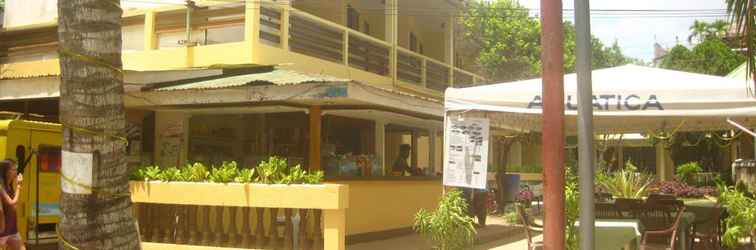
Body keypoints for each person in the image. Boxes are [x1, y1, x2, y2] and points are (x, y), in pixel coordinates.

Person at [0, 159, 24, 250]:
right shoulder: (1, 186)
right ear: (5, 171)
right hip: (2, 230)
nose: (16, 172)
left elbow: (14, 206)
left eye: (16, 169)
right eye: (13, 169)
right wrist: (19, 185)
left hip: (12, 229)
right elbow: (12, 203)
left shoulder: (9, 186)